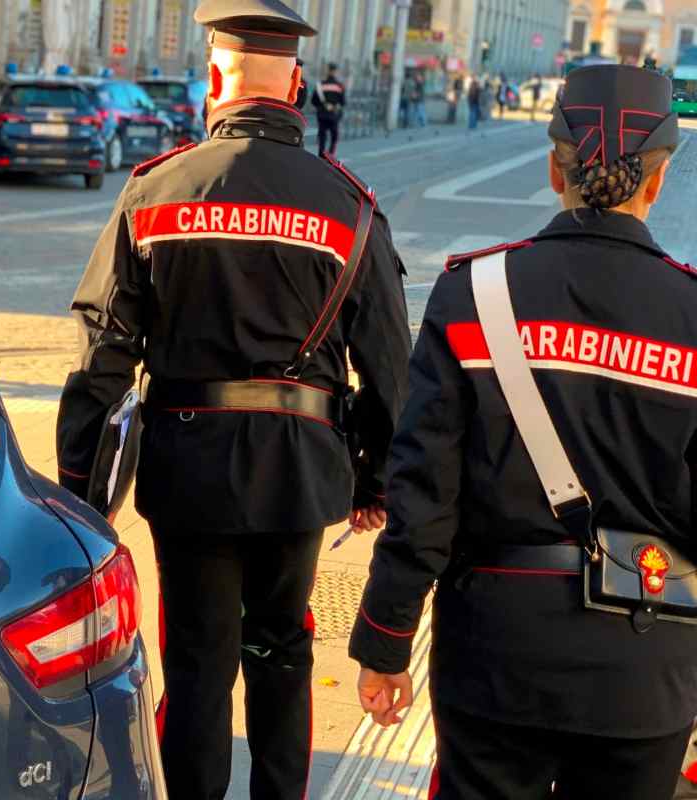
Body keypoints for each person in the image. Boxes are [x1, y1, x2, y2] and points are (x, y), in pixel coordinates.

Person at [55, 0, 412, 795]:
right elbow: (390, 364)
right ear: (295, 85)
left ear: (216, 76)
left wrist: (82, 497)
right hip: (298, 471)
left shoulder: (155, 192)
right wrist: (375, 479)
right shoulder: (348, 207)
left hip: (188, 469)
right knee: (283, 650)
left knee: (196, 660)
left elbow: (100, 356)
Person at [349, 64, 693, 800]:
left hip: (497, 650)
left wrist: (385, 636)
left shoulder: (475, 293)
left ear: (551, 169)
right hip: (649, 657)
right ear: (658, 182)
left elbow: (422, 492)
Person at [312, 62, 346, 157]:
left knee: (322, 135)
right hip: (334, 115)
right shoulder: (339, 86)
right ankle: (331, 155)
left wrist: (322, 105)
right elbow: (343, 102)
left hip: (322, 114)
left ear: (327, 70)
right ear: (336, 72)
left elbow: (313, 101)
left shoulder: (320, 85)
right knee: (334, 136)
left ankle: (321, 154)